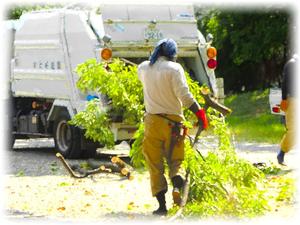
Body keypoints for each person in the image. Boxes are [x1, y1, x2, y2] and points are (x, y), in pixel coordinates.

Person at [137, 38, 208, 215]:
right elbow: (185, 96)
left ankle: (161, 207)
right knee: (177, 160)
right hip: (174, 124)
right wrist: (200, 113)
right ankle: (177, 187)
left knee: (155, 164)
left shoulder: (143, 68)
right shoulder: (175, 69)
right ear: (172, 54)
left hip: (152, 122)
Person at [277, 54, 298, 165]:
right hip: (293, 99)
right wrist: (284, 99)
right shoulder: (292, 64)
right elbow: (284, 83)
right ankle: (281, 153)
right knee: (294, 129)